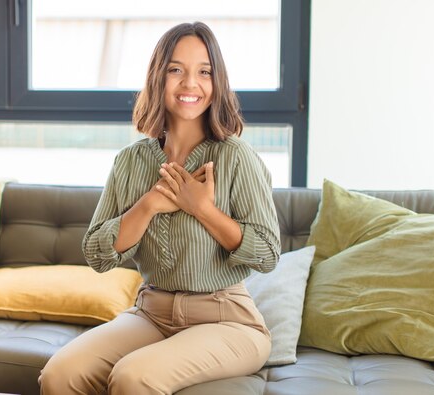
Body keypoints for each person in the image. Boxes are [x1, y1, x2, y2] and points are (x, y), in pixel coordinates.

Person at [39, 21, 281, 395]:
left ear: (217, 83)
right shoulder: (130, 161)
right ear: (158, 78)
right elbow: (96, 255)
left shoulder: (236, 157)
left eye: (204, 72)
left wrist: (202, 209)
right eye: (176, 70)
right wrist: (147, 205)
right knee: (60, 374)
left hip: (228, 321)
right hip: (150, 313)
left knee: (133, 377)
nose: (190, 84)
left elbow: (267, 254)